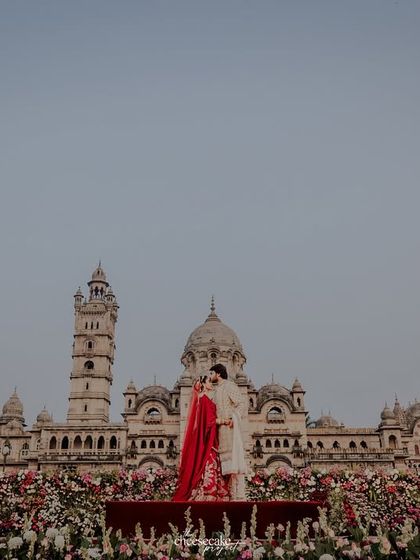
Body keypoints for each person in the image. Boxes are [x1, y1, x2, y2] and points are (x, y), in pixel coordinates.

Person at [172, 375, 230, 501]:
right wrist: (225, 421)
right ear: (203, 384)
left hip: (210, 436)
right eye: (209, 381)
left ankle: (211, 491)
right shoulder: (203, 399)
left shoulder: (204, 399)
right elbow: (208, 422)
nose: (211, 384)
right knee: (208, 461)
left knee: (210, 461)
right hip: (207, 437)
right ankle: (208, 491)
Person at [210, 363, 247, 501]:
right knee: (225, 465)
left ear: (218, 374)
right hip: (221, 431)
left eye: (211, 373)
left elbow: (241, 403)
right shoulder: (216, 390)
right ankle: (230, 496)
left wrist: (233, 417)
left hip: (231, 429)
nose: (210, 376)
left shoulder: (229, 386)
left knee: (235, 460)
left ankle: (240, 496)